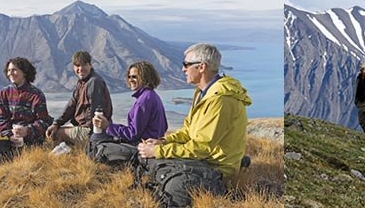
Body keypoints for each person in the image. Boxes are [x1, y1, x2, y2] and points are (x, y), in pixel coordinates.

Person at [137, 43, 251, 207]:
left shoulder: (220, 99)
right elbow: (187, 132)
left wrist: (158, 151)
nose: (183, 69)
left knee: (175, 185)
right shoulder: (202, 93)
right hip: (203, 159)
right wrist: (163, 142)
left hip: (216, 167)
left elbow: (202, 148)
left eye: (186, 65)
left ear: (202, 67)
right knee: (147, 158)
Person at [45, 51, 113, 145]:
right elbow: (71, 106)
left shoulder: (94, 82)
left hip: (92, 131)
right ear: (73, 67)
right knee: (54, 130)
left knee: (55, 134)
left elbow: (96, 111)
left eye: (84, 65)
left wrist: (93, 135)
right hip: (84, 128)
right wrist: (56, 124)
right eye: (77, 65)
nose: (80, 69)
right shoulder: (81, 83)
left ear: (90, 65)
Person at [92, 61, 167, 145]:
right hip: (152, 143)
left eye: (134, 77)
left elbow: (133, 134)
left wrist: (108, 126)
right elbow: (164, 126)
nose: (131, 80)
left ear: (145, 77)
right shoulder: (152, 95)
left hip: (143, 145)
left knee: (96, 139)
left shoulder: (143, 101)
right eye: (129, 77)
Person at [0, 57, 53, 145]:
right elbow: (1, 118)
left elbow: (43, 121)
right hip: (8, 138)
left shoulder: (36, 95)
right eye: (8, 70)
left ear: (24, 72)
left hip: (32, 139)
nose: (10, 73)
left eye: (14, 70)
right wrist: (9, 135)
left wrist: (27, 131)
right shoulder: (3, 93)